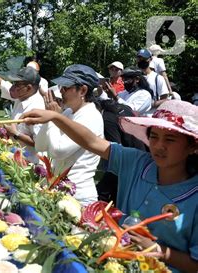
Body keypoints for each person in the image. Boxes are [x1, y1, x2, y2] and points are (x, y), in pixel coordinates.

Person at [21, 100, 198, 273]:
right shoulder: (137, 163)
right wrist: (56, 118)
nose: (159, 146)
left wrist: (156, 249)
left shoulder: (194, 197)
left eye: (170, 139)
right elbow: (92, 142)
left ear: (192, 146)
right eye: (154, 136)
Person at [34, 64, 104, 205]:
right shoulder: (68, 113)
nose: (61, 91)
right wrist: (50, 119)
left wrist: (53, 117)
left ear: (83, 90)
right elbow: (40, 146)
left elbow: (58, 152)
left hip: (79, 196)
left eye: (66, 87)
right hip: (60, 191)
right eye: (61, 87)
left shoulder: (91, 116)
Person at [95, 99, 147, 203]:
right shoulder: (124, 108)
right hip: (143, 150)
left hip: (130, 159)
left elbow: (115, 149)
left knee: (104, 191)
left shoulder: (107, 119)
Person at [137, 49, 169, 116]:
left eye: (144, 59)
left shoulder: (158, 78)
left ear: (150, 59)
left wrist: (150, 104)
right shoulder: (134, 77)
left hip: (151, 116)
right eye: (139, 58)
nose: (142, 61)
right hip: (136, 117)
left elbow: (165, 99)